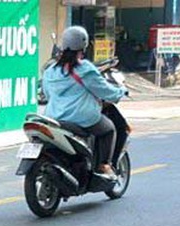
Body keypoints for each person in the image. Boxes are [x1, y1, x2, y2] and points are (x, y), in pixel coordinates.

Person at [42, 25, 127, 180]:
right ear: (84, 44)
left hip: (53, 118)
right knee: (109, 129)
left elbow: (48, 94)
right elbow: (103, 90)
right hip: (81, 119)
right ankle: (104, 165)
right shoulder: (84, 68)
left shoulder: (50, 71)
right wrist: (121, 92)